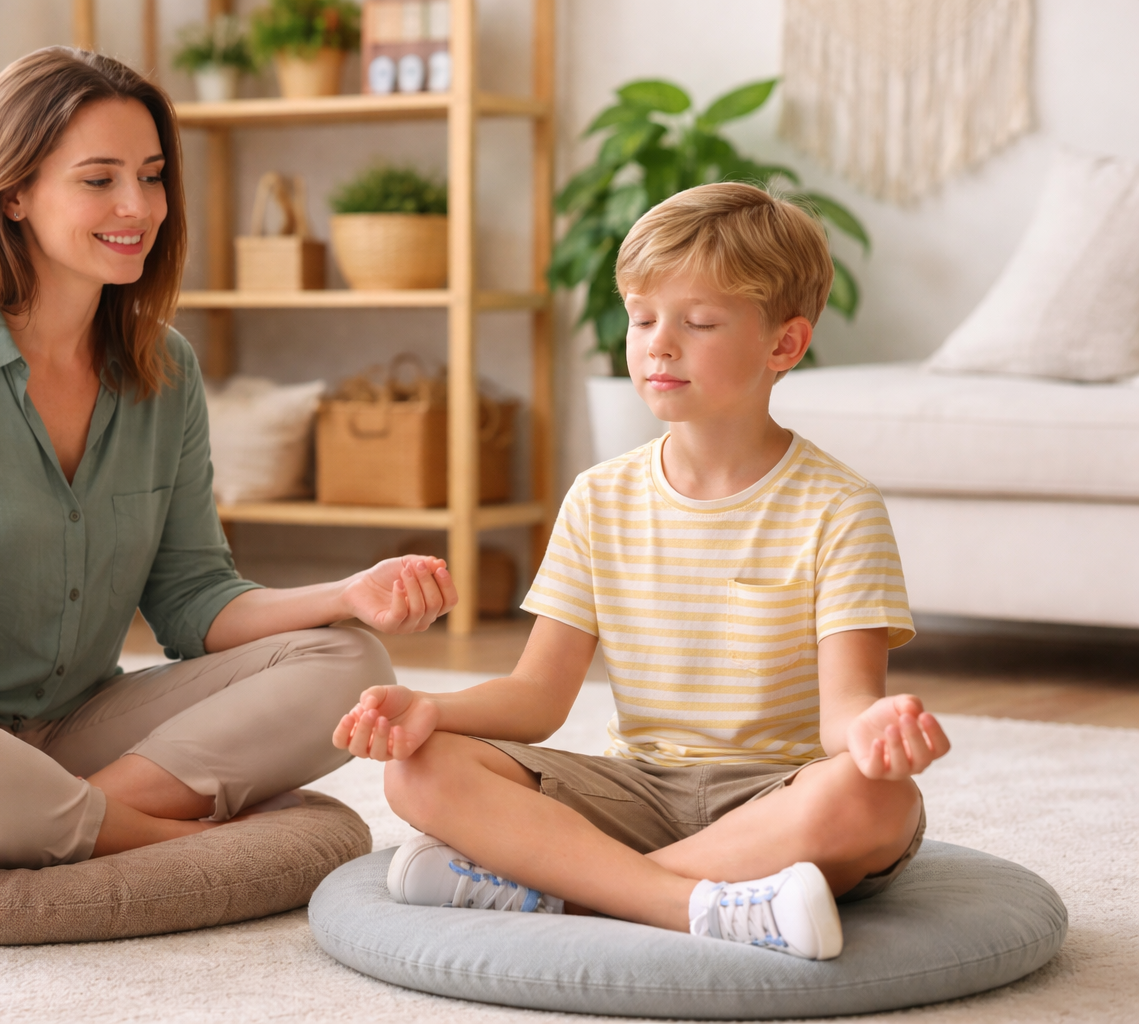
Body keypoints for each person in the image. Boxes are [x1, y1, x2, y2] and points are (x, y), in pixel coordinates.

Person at [0, 47, 457, 870]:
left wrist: (348, 594)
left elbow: (194, 601)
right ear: (13, 192)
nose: (139, 206)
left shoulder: (166, 368)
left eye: (152, 176)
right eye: (99, 179)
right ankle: (151, 836)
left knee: (349, 661)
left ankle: (48, 810)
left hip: (72, 723)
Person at [333, 182, 948, 960]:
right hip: (638, 789)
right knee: (418, 773)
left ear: (784, 346)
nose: (659, 343)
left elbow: (845, 712)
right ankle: (699, 902)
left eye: (697, 323)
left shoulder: (841, 508)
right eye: (642, 317)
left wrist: (876, 732)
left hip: (775, 795)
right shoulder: (599, 497)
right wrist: (432, 708)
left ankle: (574, 895)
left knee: (878, 802)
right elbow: (535, 699)